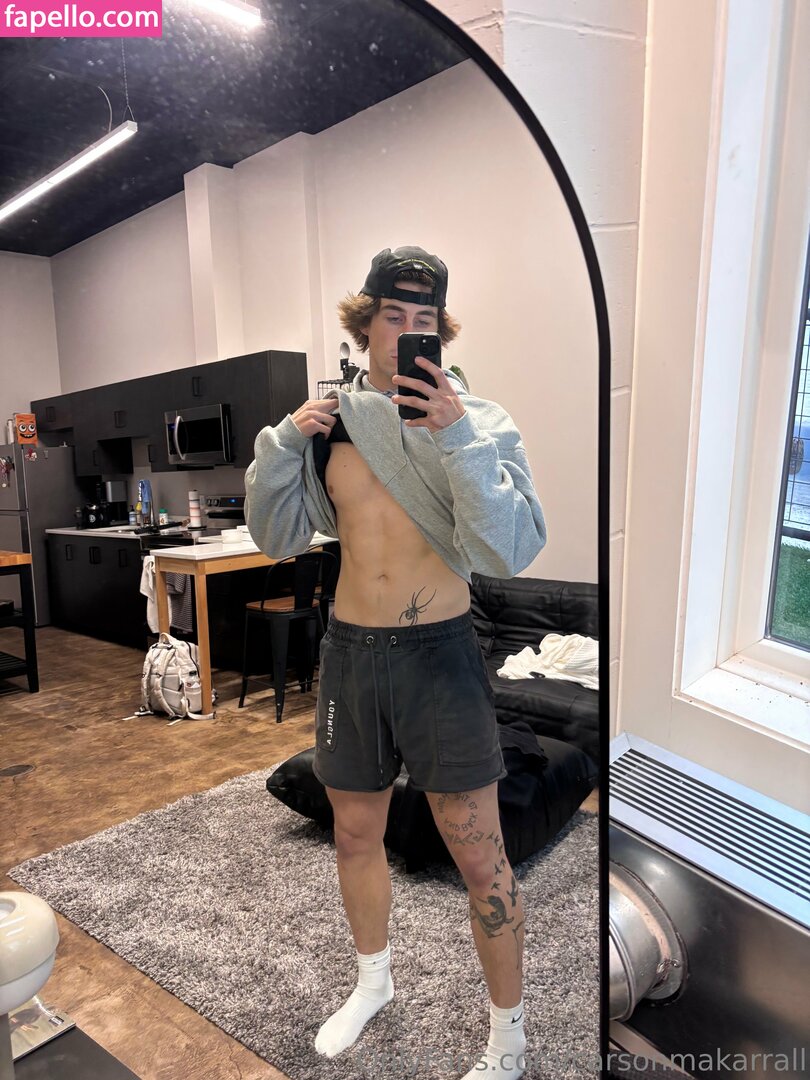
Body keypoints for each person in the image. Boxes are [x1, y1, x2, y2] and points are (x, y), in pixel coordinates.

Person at [244, 245, 547, 1080]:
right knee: (353, 834)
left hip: (438, 656)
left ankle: (509, 1039)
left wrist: (458, 436)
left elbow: (509, 548)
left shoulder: (479, 419)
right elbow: (276, 537)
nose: (409, 332)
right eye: (393, 316)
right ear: (364, 324)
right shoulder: (332, 424)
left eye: (425, 321)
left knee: (480, 856)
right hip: (350, 655)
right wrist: (281, 443)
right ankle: (372, 983)